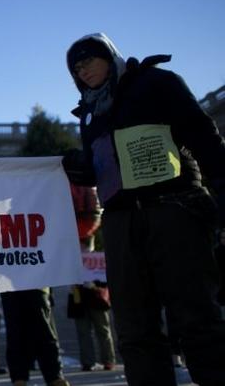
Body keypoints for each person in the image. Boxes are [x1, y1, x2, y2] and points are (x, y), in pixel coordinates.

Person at [63, 32, 225, 385]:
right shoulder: (89, 113)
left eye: (89, 60)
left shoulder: (157, 83)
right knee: (134, 330)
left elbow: (204, 137)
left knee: (197, 320)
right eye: (76, 68)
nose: (83, 71)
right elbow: (102, 166)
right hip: (121, 224)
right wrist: (83, 169)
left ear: (109, 55)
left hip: (173, 211)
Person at [66, 184, 115, 372]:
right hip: (78, 291)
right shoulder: (72, 243)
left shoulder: (97, 235)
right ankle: (88, 361)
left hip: (96, 290)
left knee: (102, 328)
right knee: (83, 329)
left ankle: (107, 360)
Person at [1, 289, 69, 386]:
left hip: (37, 287)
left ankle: (54, 376)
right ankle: (19, 378)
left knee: (45, 333)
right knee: (16, 335)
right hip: (10, 289)